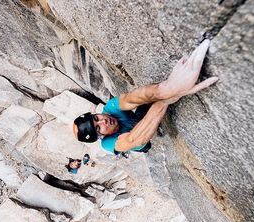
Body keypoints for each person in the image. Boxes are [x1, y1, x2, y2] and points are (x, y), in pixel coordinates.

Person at [72, 40, 219, 155]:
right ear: (101, 136)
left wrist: (167, 89)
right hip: (138, 139)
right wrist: (165, 101)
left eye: (96, 118)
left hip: (138, 117)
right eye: (99, 127)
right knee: (143, 145)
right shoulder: (108, 143)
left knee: (146, 100)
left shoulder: (110, 108)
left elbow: (133, 98)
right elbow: (133, 140)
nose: (103, 120)